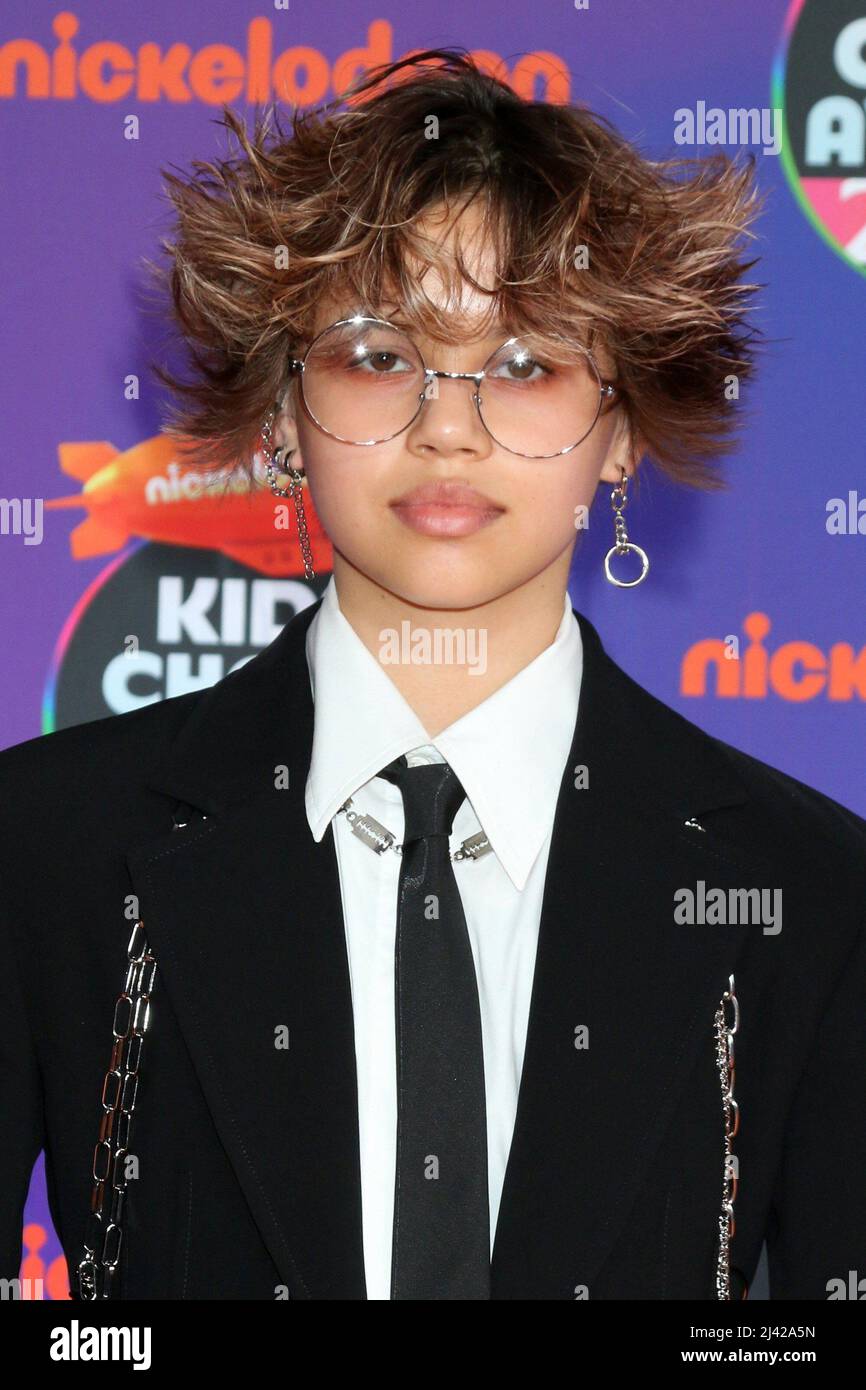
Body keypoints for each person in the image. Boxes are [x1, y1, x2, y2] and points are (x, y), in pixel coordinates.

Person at [2, 50, 865, 1302]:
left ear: (617, 429)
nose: (445, 423)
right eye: (376, 352)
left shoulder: (803, 894)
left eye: (524, 365)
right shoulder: (48, 848)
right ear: (284, 416)